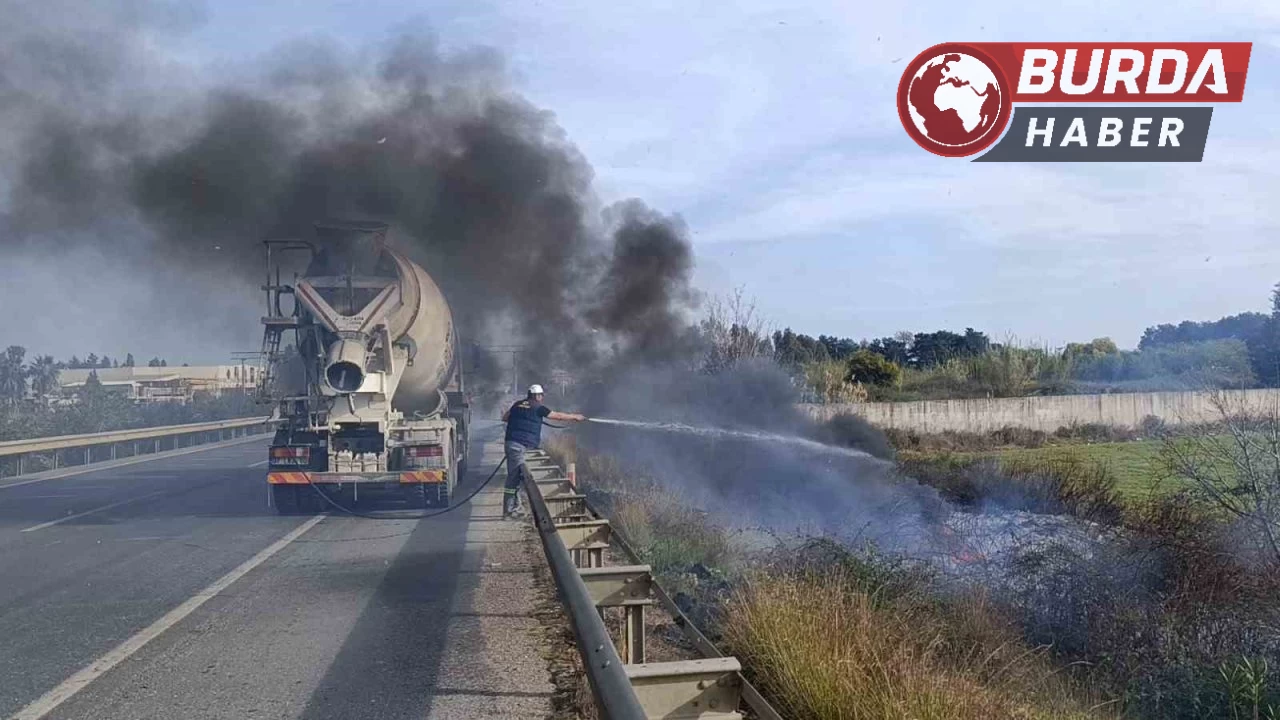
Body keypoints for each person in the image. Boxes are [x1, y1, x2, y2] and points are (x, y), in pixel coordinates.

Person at [500, 384, 586, 518]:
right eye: (541, 395)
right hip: (522, 446)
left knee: (515, 476)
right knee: (514, 478)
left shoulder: (517, 405)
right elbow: (557, 416)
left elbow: (505, 418)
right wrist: (574, 417)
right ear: (537, 396)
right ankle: (510, 510)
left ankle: (514, 507)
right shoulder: (538, 407)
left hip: (512, 444)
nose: (542, 398)